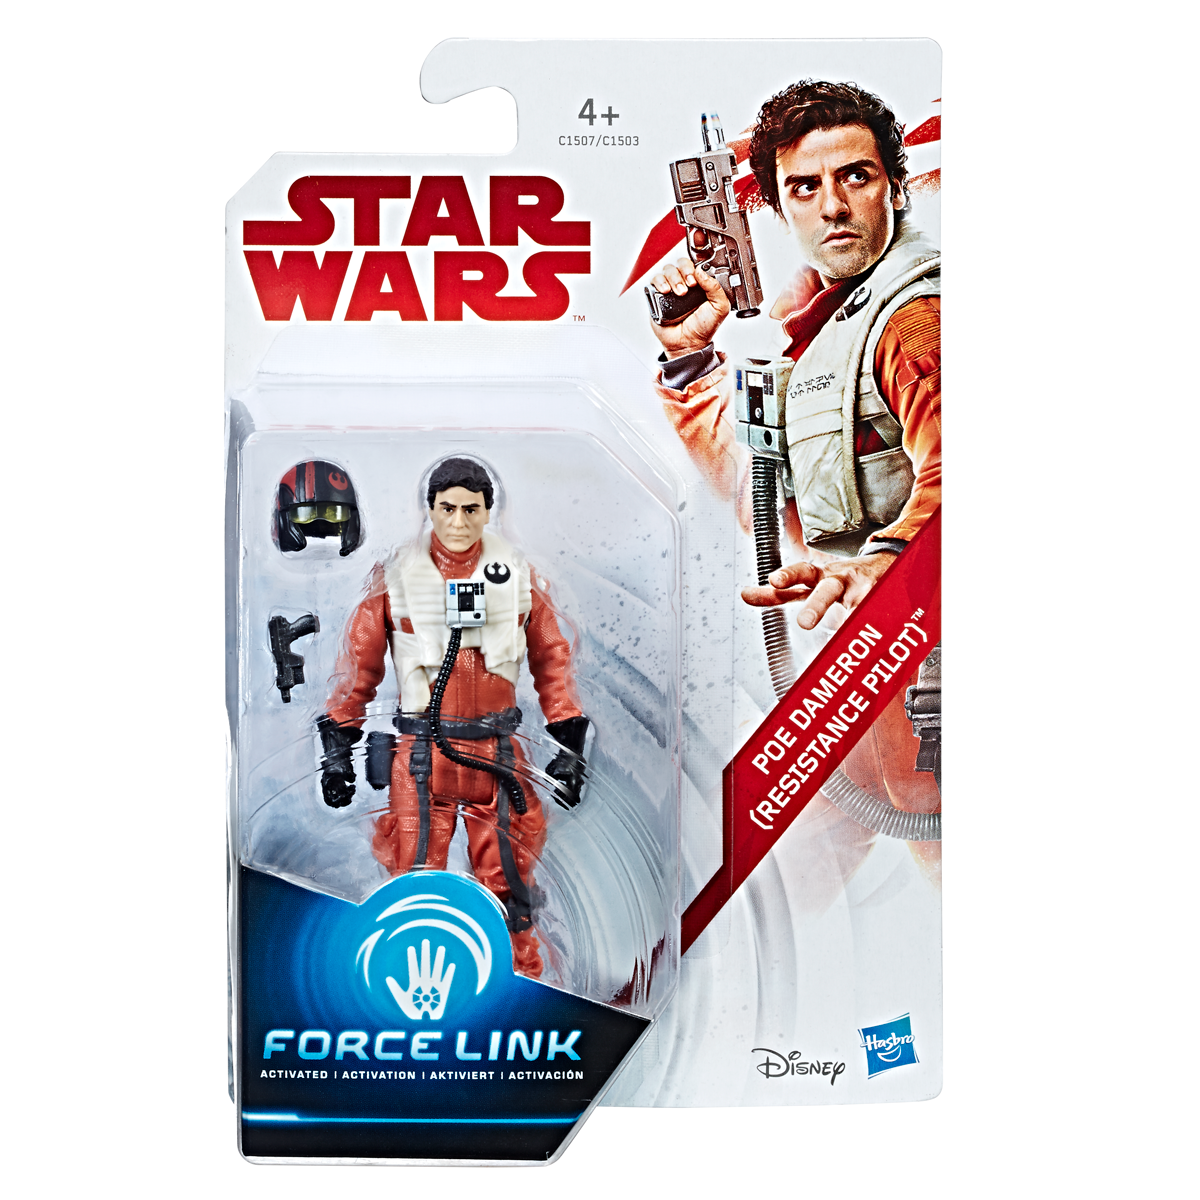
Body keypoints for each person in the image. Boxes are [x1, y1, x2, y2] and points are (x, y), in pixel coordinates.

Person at [649, 80, 940, 867]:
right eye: (805, 187)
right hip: (848, 675)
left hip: (920, 675)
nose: (833, 206)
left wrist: (881, 566)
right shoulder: (816, 327)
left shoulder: (913, 322)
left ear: (896, 187)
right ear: (778, 208)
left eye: (856, 176)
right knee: (766, 889)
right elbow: (765, 491)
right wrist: (694, 358)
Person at [316, 456, 590, 976]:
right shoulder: (395, 579)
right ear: (431, 509)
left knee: (511, 894)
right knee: (413, 888)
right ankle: (410, 990)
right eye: (448, 508)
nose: (459, 522)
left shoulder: (516, 578)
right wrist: (337, 748)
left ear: (488, 510)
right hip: (422, 757)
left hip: (497, 754)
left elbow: (553, 660)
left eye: (470, 509)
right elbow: (358, 668)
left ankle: (524, 993)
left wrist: (569, 744)